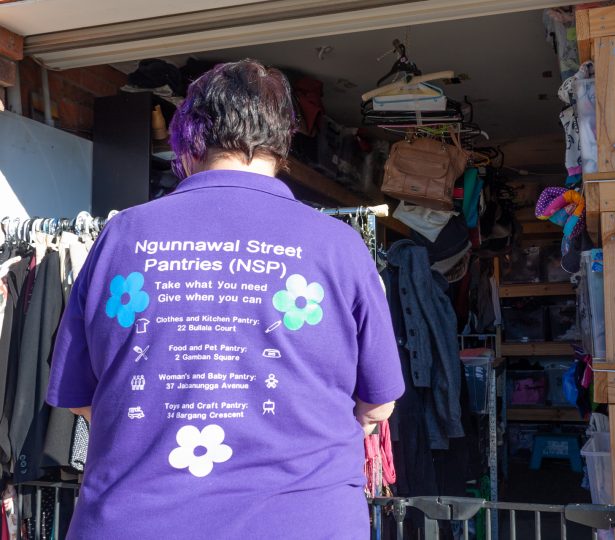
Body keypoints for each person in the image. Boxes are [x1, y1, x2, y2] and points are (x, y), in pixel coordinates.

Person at [47, 59, 405, 539]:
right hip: (304, 523)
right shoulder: (338, 245)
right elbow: (378, 404)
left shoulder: (122, 236)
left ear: (190, 137)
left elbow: (80, 397)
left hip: (138, 522)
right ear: (283, 141)